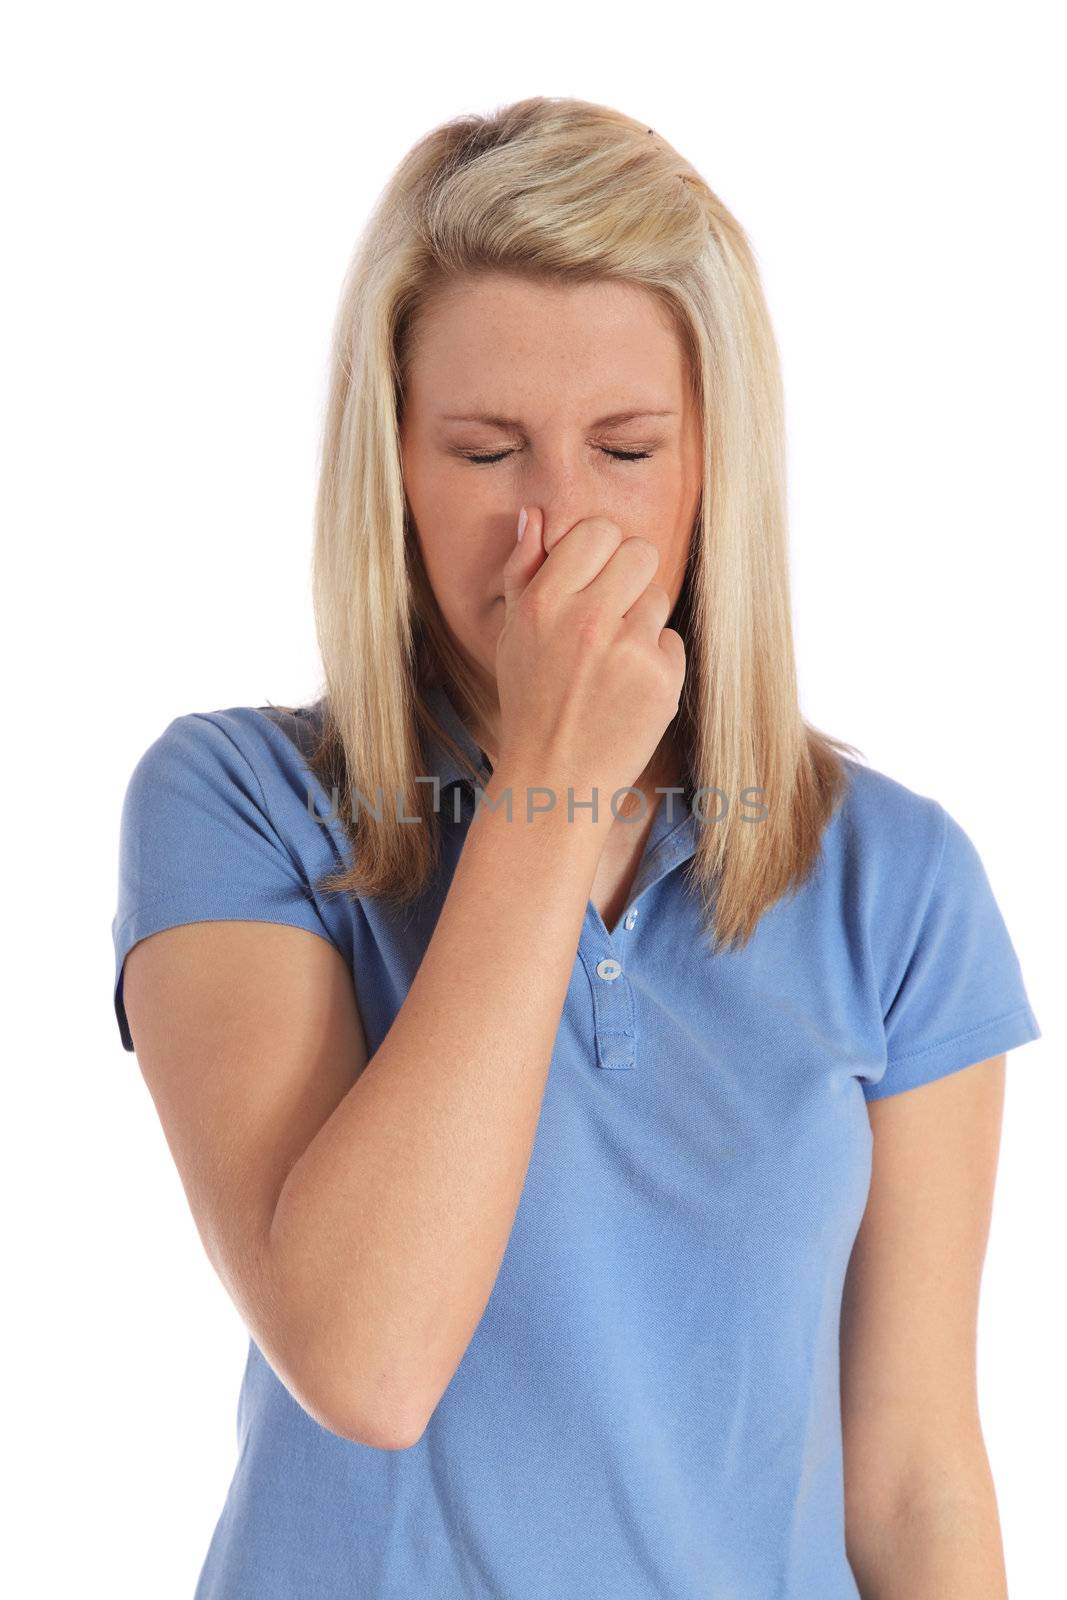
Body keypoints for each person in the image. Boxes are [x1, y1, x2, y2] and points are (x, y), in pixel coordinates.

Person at [110, 96, 1041, 1600]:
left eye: (624, 449)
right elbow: (368, 1360)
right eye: (485, 453)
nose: (555, 528)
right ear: (393, 471)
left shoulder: (900, 885)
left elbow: (918, 1480)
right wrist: (549, 782)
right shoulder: (235, 804)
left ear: (708, 474)